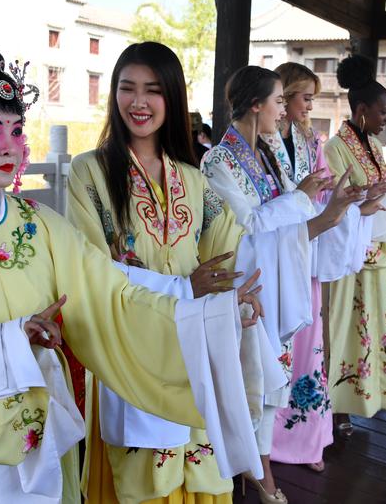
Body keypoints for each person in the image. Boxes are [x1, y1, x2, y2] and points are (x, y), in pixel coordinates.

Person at [0, 42, 262, 503]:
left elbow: (112, 294)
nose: (9, 145)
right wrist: (9, 341)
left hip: (44, 422)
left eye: (17, 129)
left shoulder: (41, 225)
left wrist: (211, 316)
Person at [66, 41, 272, 504]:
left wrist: (242, 292)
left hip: (195, 340)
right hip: (132, 346)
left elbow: (230, 246)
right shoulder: (90, 173)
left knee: (198, 461)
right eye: (127, 88)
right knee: (145, 478)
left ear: (172, 98)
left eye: (153, 90)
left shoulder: (194, 179)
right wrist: (183, 286)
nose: (138, 102)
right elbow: (91, 272)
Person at [202, 65, 383, 502]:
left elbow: (294, 226)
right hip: (243, 285)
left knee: (270, 385)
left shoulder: (263, 156)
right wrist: (303, 196)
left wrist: (336, 210)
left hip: (273, 284)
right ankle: (254, 473)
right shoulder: (218, 161)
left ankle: (257, 471)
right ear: (255, 105)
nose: (284, 110)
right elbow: (250, 227)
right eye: (279, 101)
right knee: (248, 384)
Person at [258, 62, 355, 473]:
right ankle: (266, 440)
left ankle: (305, 439)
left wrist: (347, 195)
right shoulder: (261, 142)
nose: (307, 106)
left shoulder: (312, 141)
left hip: (307, 252)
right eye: (303, 97)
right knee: (274, 348)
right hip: (276, 254)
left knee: (309, 347)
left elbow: (324, 184)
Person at [322, 54, 386, 429]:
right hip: (351, 255)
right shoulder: (334, 149)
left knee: (374, 328)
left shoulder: (374, 146)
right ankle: (335, 405)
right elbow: (332, 201)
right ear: (361, 110)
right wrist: (367, 197)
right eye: (383, 111)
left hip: (379, 251)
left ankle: (363, 399)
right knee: (347, 326)